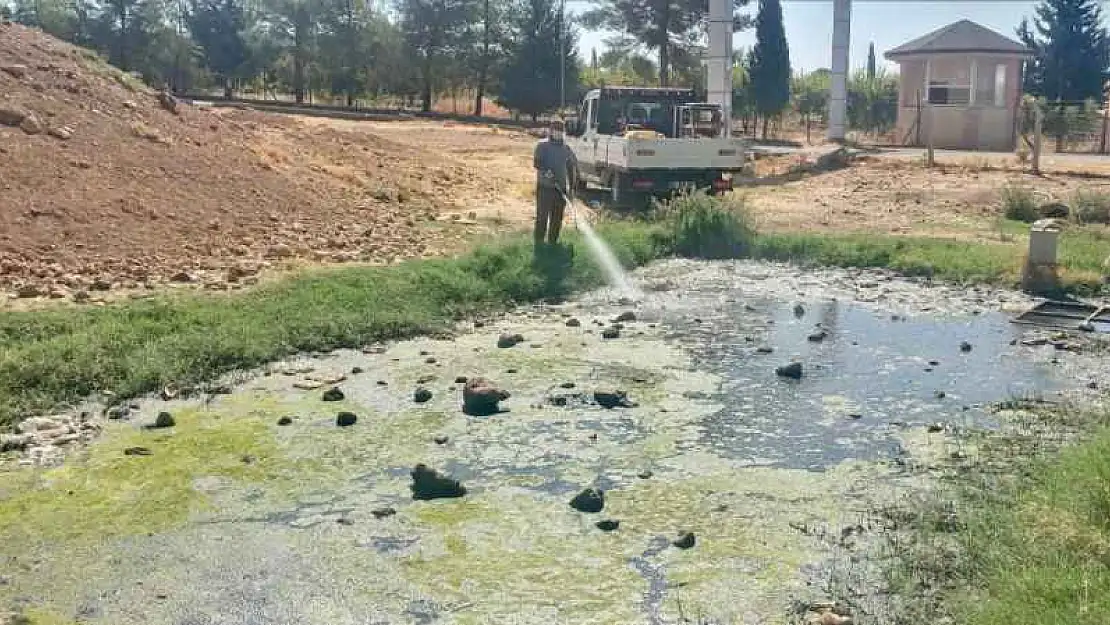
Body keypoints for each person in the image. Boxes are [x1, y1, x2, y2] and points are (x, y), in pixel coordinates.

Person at [532, 119, 577, 248]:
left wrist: (572, 188)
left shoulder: (566, 148)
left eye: (561, 131)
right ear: (551, 131)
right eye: (556, 131)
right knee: (542, 218)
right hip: (545, 188)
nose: (559, 133)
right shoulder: (542, 145)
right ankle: (539, 244)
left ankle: (553, 243)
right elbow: (537, 163)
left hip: (560, 190)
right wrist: (547, 173)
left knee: (557, 219)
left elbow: (570, 168)